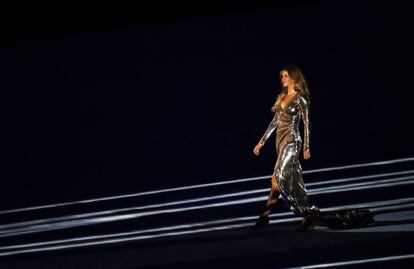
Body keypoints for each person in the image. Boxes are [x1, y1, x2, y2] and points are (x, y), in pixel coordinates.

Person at [252, 64, 375, 231]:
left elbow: (307, 123)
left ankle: (266, 217)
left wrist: (306, 147)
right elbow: (275, 122)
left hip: (292, 141)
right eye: (282, 76)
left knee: (277, 178)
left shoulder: (301, 98)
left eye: (286, 76)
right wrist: (261, 142)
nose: (283, 79)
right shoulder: (282, 96)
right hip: (280, 142)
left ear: (294, 77)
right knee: (278, 183)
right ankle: (299, 217)